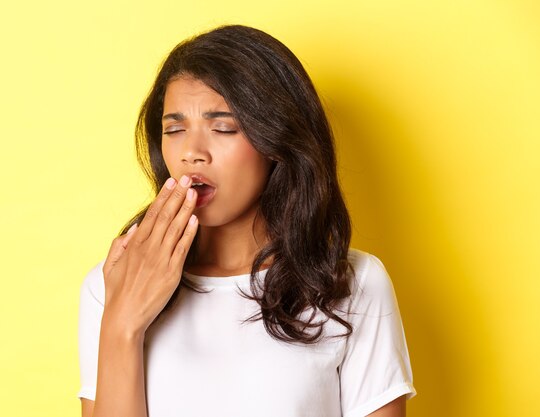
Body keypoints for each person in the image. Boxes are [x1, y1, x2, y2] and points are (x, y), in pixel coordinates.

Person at [77, 24, 416, 417]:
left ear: (276, 142)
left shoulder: (352, 285)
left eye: (223, 128)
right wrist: (122, 325)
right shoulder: (110, 285)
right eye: (174, 129)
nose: (191, 153)